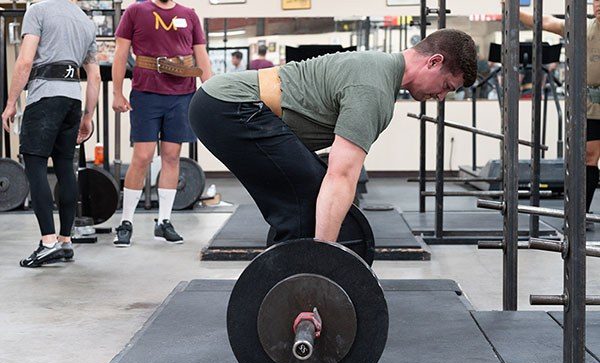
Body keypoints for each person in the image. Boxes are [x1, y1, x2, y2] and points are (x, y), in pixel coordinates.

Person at [189, 29, 477, 243]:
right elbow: (341, 176)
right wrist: (325, 258)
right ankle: (299, 289)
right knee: (307, 202)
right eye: (447, 86)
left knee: (307, 197)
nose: (441, 97)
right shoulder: (374, 89)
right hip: (228, 106)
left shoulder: (378, 71)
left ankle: (290, 283)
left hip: (223, 104)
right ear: (433, 62)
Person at [1, 0, 100, 267]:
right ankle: (66, 241)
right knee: (66, 167)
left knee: (35, 165)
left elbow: (25, 61)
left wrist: (10, 103)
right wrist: (88, 116)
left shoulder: (38, 10)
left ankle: (48, 242)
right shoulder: (85, 22)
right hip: (72, 101)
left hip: (44, 98)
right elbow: (94, 77)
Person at [112, 0, 212, 247]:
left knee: (171, 156)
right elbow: (121, 52)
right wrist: (117, 92)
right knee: (142, 157)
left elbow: (201, 56)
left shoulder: (189, 15)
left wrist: (211, 93)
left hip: (182, 95)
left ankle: (164, 222)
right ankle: (126, 222)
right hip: (146, 93)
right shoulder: (136, 11)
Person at [516, 0, 600, 224]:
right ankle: (581, 214)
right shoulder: (583, 26)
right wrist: (512, 8)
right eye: (596, 1)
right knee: (589, 157)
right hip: (592, 104)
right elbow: (545, 21)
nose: (598, 5)